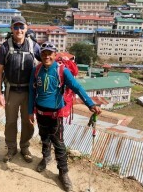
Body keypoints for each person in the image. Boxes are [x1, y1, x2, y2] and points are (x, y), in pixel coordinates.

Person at [28, 42, 102, 192]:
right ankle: (46, 157)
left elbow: (77, 87)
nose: (47, 56)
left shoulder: (62, 70)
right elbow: (31, 92)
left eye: (50, 53)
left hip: (55, 115)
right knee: (43, 137)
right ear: (40, 55)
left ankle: (63, 173)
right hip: (40, 112)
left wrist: (90, 104)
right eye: (44, 53)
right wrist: (30, 111)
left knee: (59, 144)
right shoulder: (36, 70)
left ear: (55, 55)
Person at [0, 16, 41, 163]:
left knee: (28, 121)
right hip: (12, 90)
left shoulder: (34, 46)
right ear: (11, 29)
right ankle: (11, 148)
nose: (19, 30)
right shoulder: (5, 47)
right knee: (10, 121)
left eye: (22, 27)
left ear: (26, 28)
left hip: (29, 91)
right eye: (16, 27)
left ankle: (25, 147)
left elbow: (44, 64)